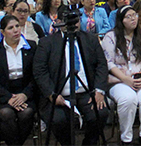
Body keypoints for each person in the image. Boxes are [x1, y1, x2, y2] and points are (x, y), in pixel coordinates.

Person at [33, 9, 109, 146]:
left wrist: (99, 90)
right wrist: (51, 94)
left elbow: (102, 65)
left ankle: (89, 143)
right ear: (57, 22)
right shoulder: (47, 43)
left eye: (77, 20)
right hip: (59, 94)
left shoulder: (90, 39)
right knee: (58, 119)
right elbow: (39, 71)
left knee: (100, 113)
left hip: (87, 91)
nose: (74, 24)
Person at [102, 6, 141, 145]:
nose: (133, 18)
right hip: (119, 79)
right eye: (128, 16)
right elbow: (108, 63)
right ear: (121, 21)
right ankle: (126, 138)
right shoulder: (111, 37)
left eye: (134, 15)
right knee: (128, 99)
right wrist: (125, 79)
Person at [0, 16, 36, 145]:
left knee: (26, 113)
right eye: (10, 28)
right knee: (6, 114)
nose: (15, 30)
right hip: (3, 93)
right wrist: (9, 97)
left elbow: (36, 76)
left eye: (17, 26)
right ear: (2, 32)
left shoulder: (31, 47)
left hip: (25, 92)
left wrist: (24, 95)